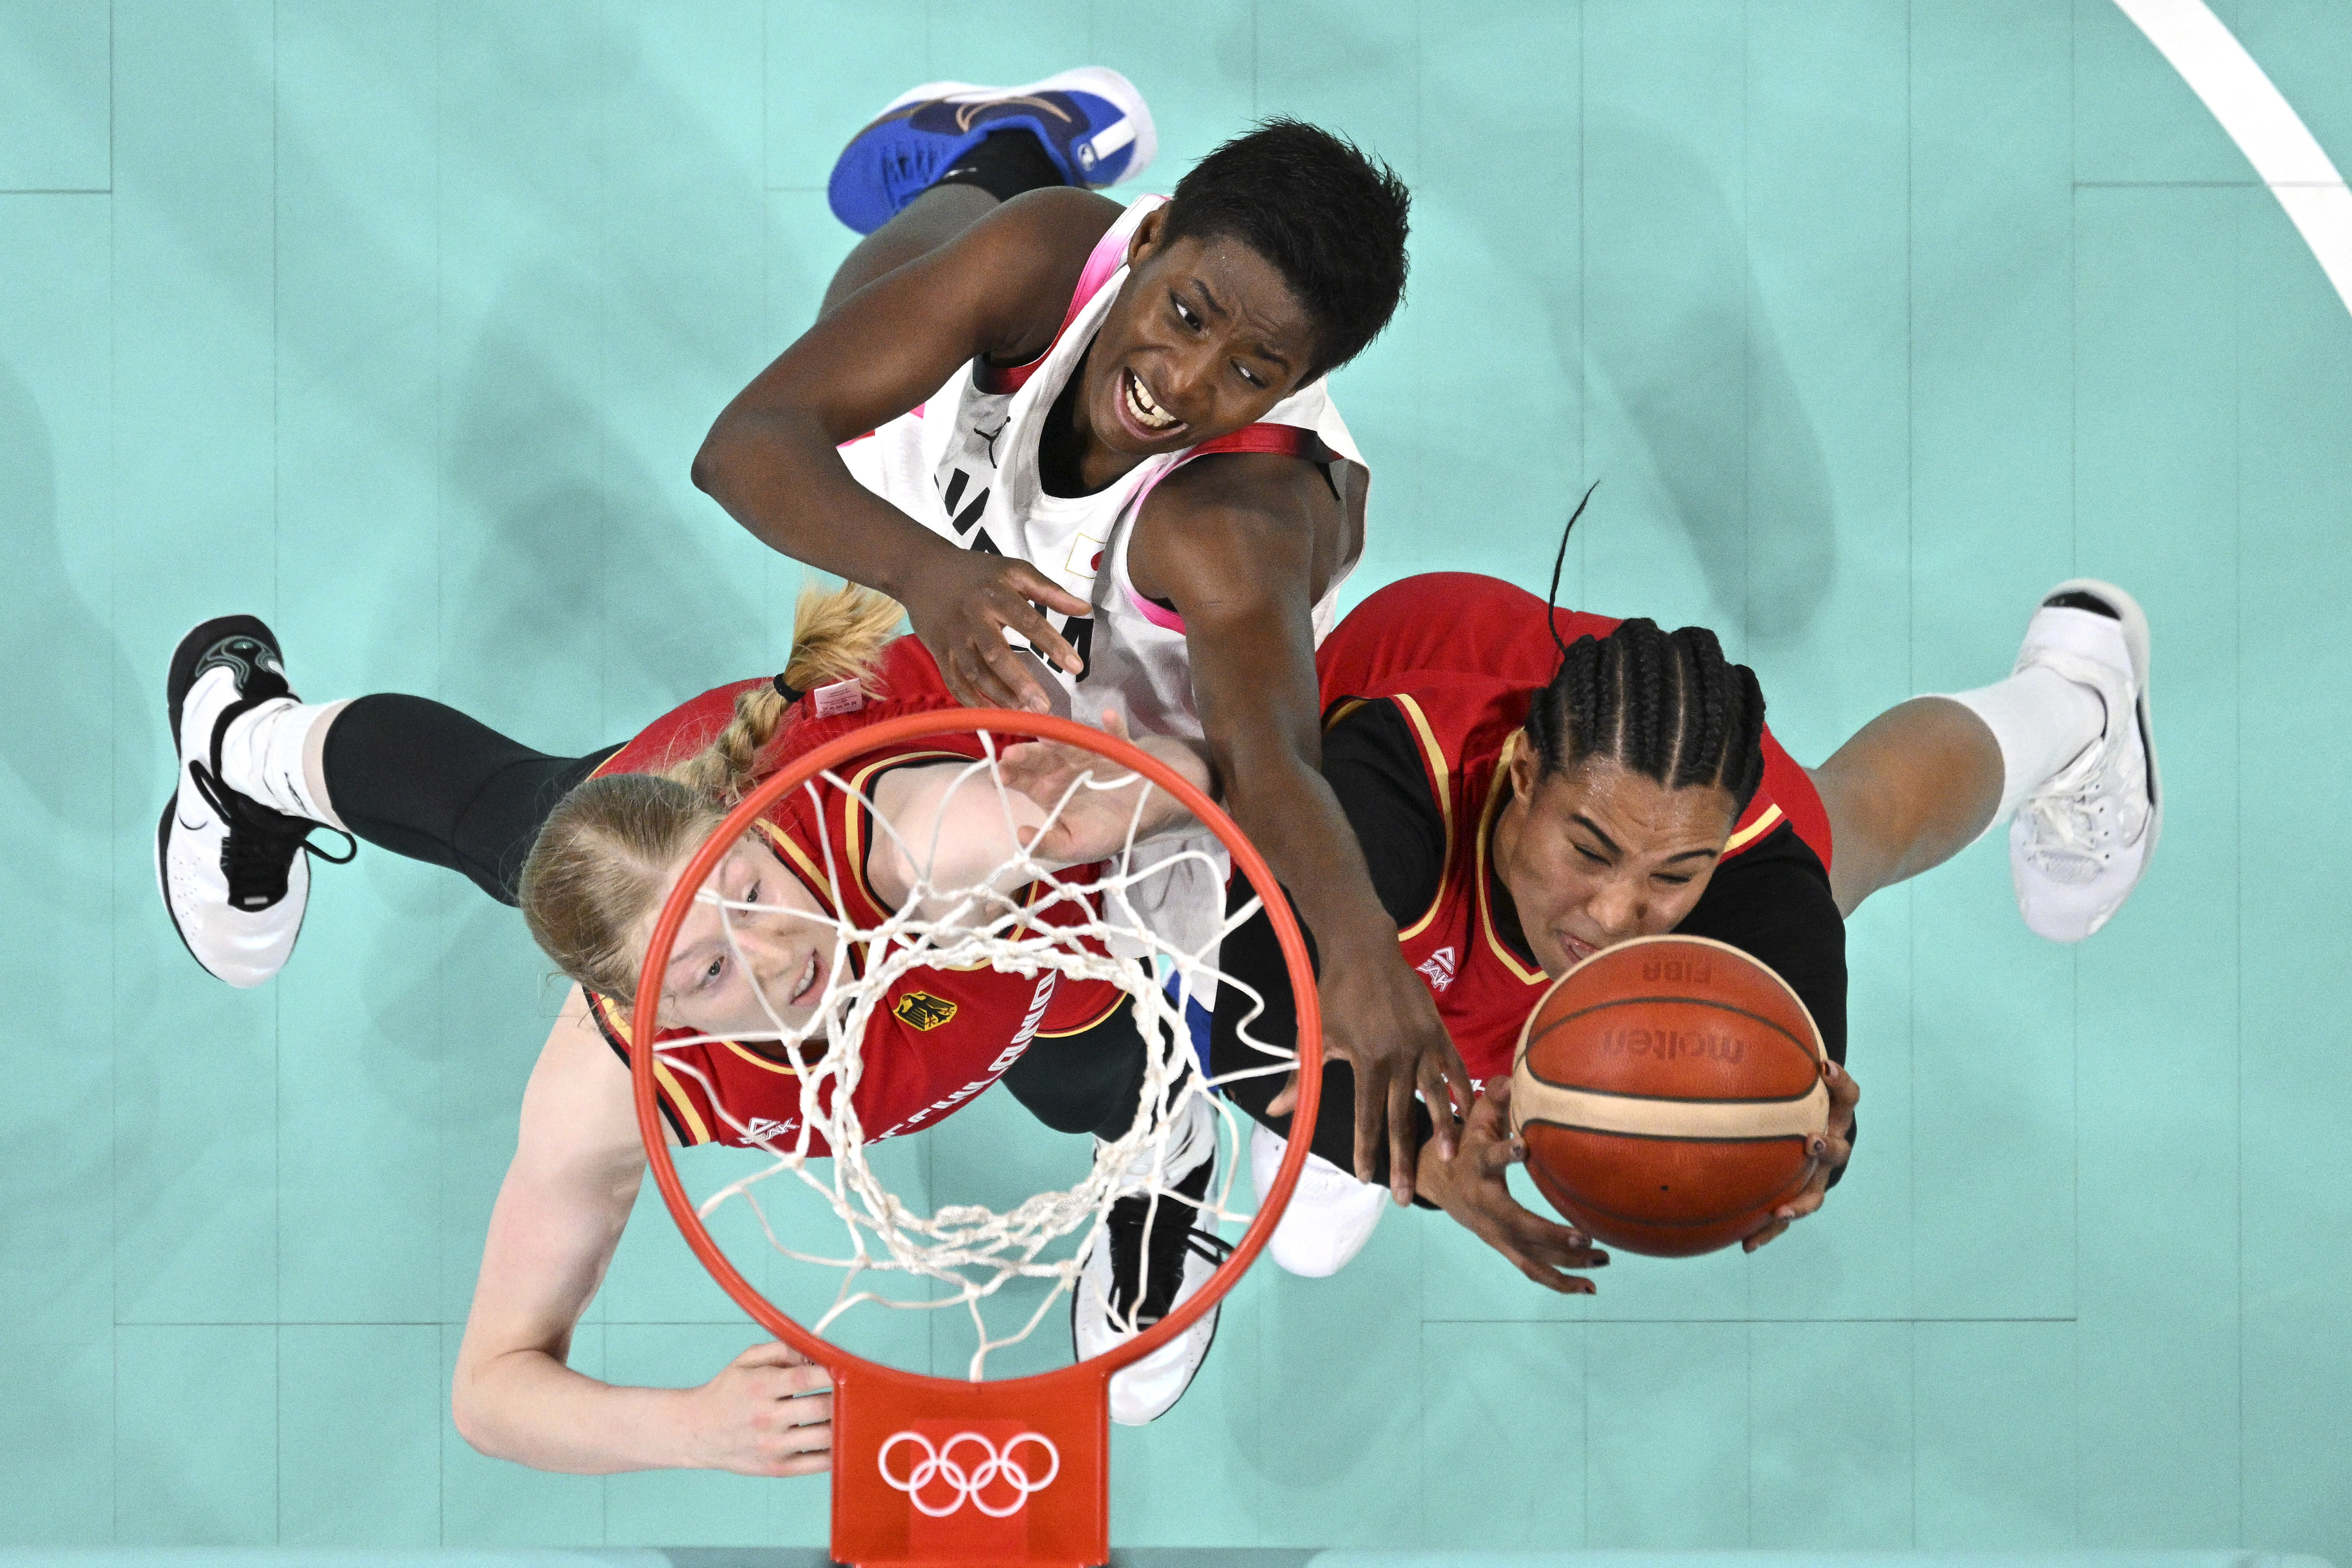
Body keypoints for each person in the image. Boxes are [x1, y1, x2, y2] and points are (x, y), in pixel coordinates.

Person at [153, 585, 1243, 1473]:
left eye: (757, 890)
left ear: (745, 830)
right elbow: (491, 1388)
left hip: (865, 854)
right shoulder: (612, 1078)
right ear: (647, 1012)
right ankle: (244, 744)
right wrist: (690, 1430)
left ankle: (1164, 1151)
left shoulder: (913, 854)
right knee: (506, 821)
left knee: (1090, 1051)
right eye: (710, 969)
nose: (777, 951)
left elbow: (1171, 789)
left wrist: (1108, 800)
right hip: (651, 876)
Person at [692, 71, 1472, 1206]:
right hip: (978, 545)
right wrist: (929, 574)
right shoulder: (1057, 259)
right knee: (864, 339)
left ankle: (1169, 1148)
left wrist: (1357, 966)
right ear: (1149, 237)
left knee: (1082, 927)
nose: (1182, 381)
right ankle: (1009, 148)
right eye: (1186, 314)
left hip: (1124, 675)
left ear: (1303, 384)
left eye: (1253, 372)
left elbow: (1272, 762)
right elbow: (744, 445)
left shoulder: (1235, 523)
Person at [1212, 530, 2159, 1288]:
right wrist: (1421, 1161)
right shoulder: (1388, 796)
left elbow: (1803, 1093)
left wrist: (1806, 1139)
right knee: (1338, 996)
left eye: (1673, 875)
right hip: (1420, 681)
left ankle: (2078, 703)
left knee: (1860, 827)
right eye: (1589, 854)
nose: (1621, 912)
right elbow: (1237, 1025)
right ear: (1522, 773)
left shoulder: (1746, 859)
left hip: (1639, 759)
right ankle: (1365, 1083)